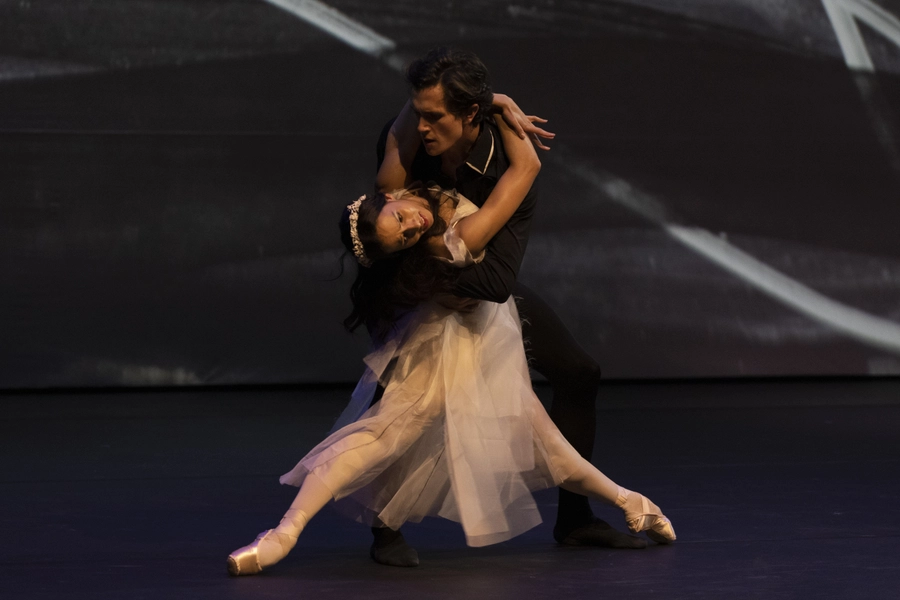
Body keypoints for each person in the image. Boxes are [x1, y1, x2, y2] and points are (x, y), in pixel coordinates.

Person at [226, 95, 675, 577]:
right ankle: (285, 534)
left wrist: (489, 99)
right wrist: (501, 112)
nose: (411, 226)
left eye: (400, 218)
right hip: (451, 327)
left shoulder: (399, 182)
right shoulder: (445, 242)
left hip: (482, 322)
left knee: (539, 429)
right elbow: (525, 169)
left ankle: (629, 503)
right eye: (401, 236)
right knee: (392, 429)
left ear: (394, 197)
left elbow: (412, 116)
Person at [367, 48, 643, 567]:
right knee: (394, 394)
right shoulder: (410, 141)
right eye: (417, 113)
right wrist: (494, 97)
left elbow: (494, 281)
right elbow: (384, 200)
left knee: (579, 372)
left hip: (476, 283)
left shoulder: (508, 165)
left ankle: (575, 520)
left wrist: (440, 263)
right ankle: (385, 529)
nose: (422, 127)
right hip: (413, 285)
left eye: (435, 117)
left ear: (469, 115)